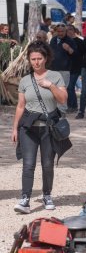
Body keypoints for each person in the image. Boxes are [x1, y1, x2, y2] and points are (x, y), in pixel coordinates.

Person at [11, 41, 72, 214]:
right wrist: (15, 128)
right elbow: (20, 106)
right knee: (28, 164)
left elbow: (63, 100)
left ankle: (47, 195)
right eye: (33, 59)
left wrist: (50, 86)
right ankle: (25, 199)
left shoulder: (55, 76)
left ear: (46, 59)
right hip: (28, 128)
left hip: (48, 128)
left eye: (39, 58)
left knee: (47, 164)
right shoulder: (24, 80)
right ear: (29, 60)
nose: (36, 62)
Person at [49, 23, 77, 116]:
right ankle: (54, 110)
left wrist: (68, 48)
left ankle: (62, 110)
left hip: (64, 70)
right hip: (53, 69)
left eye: (62, 31)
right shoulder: (53, 40)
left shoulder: (70, 40)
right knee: (53, 89)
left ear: (65, 31)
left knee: (62, 89)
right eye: (59, 31)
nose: (60, 33)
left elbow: (75, 54)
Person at [66, 24, 85, 113]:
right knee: (69, 87)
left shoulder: (79, 42)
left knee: (70, 86)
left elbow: (81, 55)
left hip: (76, 67)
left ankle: (72, 106)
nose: (68, 31)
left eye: (70, 29)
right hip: (66, 68)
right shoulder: (65, 41)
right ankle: (72, 105)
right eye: (67, 30)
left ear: (74, 31)